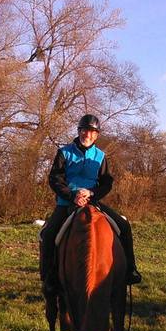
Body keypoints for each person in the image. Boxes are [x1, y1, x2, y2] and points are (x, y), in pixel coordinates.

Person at [40, 114, 142, 290]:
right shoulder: (64, 152)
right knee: (48, 234)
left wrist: (92, 193)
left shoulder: (100, 156)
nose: (88, 135)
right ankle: (49, 277)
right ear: (79, 131)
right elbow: (55, 179)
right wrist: (72, 195)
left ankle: (130, 270)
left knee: (124, 227)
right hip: (67, 203)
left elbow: (106, 182)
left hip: (92, 202)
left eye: (93, 132)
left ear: (97, 135)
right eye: (85, 130)